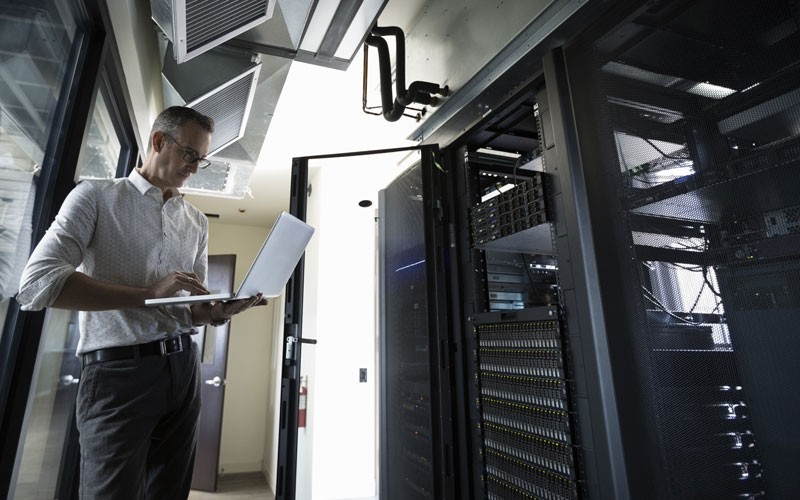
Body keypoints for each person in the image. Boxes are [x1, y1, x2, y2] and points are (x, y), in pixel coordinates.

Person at [17, 106, 264, 499]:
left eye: (203, 159)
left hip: (184, 368)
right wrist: (147, 295)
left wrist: (215, 313)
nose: (196, 168)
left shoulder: (197, 221)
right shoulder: (95, 197)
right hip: (118, 375)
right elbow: (36, 285)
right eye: (191, 155)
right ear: (158, 141)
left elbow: (189, 307)